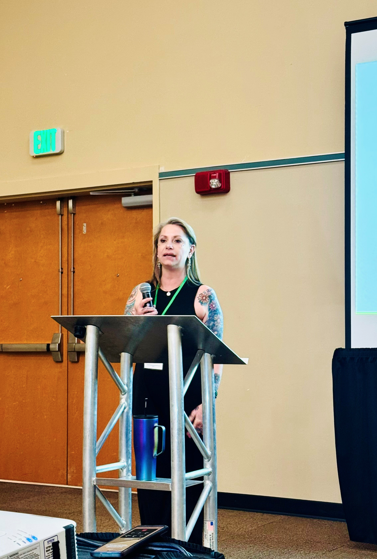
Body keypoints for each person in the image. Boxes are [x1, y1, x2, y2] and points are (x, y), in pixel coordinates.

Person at [124, 217, 223, 544]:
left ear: (190, 250)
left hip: (188, 398)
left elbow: (217, 356)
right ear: (156, 250)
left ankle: (187, 549)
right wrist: (135, 321)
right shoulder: (141, 294)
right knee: (150, 478)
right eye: (163, 240)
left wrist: (207, 404)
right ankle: (153, 547)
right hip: (147, 396)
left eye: (177, 240)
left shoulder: (203, 295)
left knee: (188, 477)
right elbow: (124, 343)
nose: (169, 246)